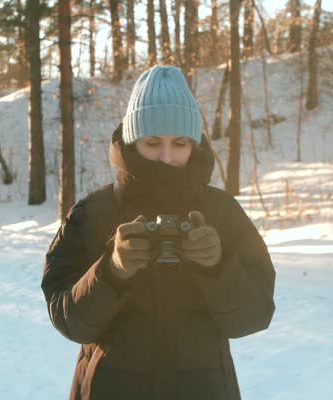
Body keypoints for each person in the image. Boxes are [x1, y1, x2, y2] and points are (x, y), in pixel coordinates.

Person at [41, 66, 276, 400]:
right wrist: (111, 272)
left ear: (194, 144)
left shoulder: (223, 212)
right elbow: (69, 321)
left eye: (179, 143)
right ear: (133, 140)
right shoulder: (92, 214)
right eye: (152, 143)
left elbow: (254, 316)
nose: (167, 158)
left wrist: (218, 266)